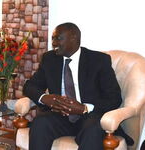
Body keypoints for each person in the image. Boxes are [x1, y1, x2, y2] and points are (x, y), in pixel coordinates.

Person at [23, 22, 133, 150]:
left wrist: (84, 108)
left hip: (90, 117)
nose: (53, 43)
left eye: (58, 38)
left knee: (92, 129)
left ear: (73, 37)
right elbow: (29, 86)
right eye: (53, 38)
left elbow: (114, 98)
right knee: (40, 123)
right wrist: (45, 98)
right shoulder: (50, 59)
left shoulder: (98, 60)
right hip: (61, 116)